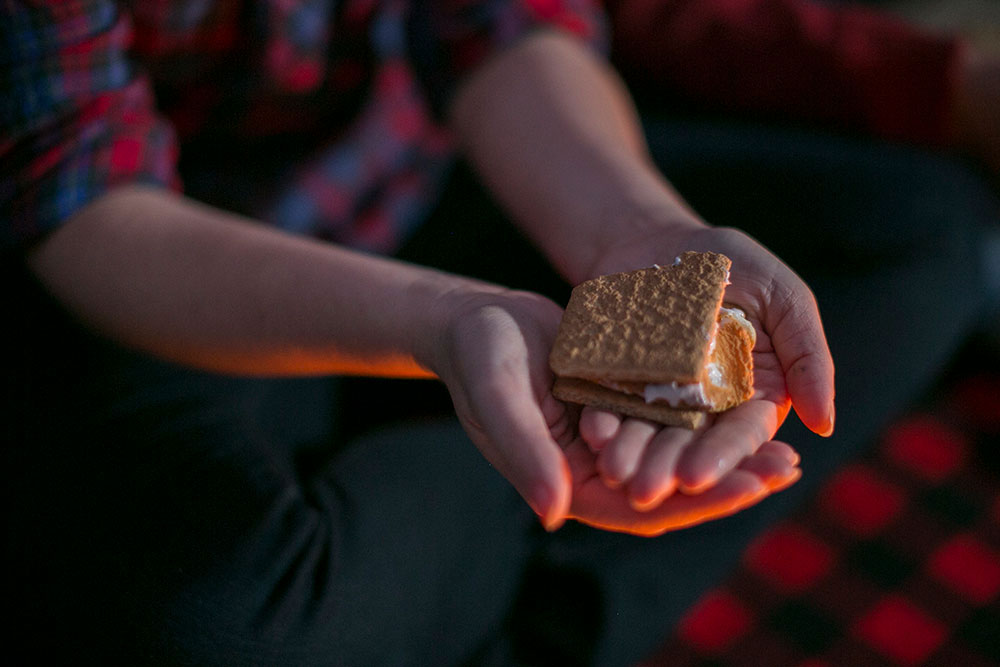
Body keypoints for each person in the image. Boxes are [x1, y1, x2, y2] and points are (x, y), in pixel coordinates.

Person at [2, 0, 997, 664]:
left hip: (446, 175)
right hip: (189, 285)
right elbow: (82, 190)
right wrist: (438, 320)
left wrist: (634, 227)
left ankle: (489, 575)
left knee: (919, 232)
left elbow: (504, 23)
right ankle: (511, 541)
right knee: (220, 621)